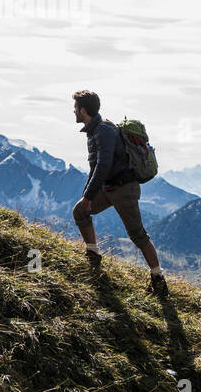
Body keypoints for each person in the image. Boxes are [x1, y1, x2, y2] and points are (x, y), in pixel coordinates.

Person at [72, 90, 168, 296]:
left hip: (124, 189)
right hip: (108, 188)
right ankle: (93, 255)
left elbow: (103, 165)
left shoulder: (104, 130)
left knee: (137, 234)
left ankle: (158, 279)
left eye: (75, 108)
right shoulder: (94, 130)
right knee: (80, 211)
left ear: (83, 110)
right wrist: (86, 197)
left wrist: (89, 196)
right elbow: (94, 166)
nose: (73, 112)